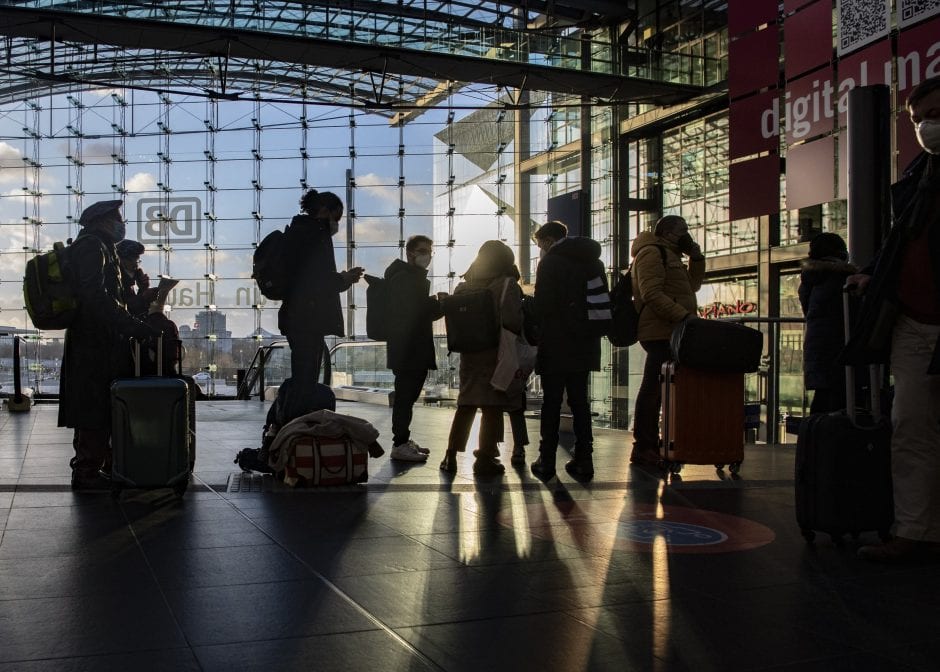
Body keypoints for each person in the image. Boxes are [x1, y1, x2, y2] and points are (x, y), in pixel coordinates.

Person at [846, 76, 940, 563]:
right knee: (910, 426)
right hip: (912, 320)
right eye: (919, 118)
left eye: (935, 114)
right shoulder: (919, 175)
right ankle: (915, 529)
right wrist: (872, 275)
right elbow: (900, 243)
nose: (927, 125)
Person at [57, 200, 158, 490]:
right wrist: (129, 324)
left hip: (99, 339)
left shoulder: (101, 248)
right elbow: (95, 296)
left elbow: (111, 296)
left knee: (98, 404)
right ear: (101, 221)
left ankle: (92, 468)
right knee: (93, 406)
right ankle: (87, 472)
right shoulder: (91, 247)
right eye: (117, 219)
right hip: (93, 342)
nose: (121, 224)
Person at [440, 240, 524, 476]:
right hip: (495, 353)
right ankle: (486, 457)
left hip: (469, 354)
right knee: (492, 406)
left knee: (466, 404)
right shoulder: (506, 284)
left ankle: (450, 456)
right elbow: (512, 321)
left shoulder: (463, 287)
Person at [529, 220, 605, 481]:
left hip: (556, 342)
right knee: (580, 402)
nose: (541, 249)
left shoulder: (550, 263)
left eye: (540, 244)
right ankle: (585, 458)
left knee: (551, 402)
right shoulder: (593, 261)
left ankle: (546, 459)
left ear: (548, 240)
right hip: (584, 344)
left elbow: (543, 306)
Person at [629, 215, 705, 468]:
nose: (687, 234)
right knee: (653, 388)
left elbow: (692, 286)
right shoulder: (651, 253)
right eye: (682, 230)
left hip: (673, 329)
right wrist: (683, 317)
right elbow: (650, 292)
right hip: (660, 330)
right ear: (668, 232)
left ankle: (654, 442)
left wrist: (697, 259)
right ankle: (644, 445)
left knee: (660, 388)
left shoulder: (671, 255)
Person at [278, 189, 363, 389]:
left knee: (304, 376)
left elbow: (308, 277)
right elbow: (315, 281)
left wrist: (342, 278)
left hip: (299, 316)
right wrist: (344, 279)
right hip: (307, 318)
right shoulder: (313, 235)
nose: (337, 223)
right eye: (337, 217)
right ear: (324, 210)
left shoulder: (301, 231)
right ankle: (298, 417)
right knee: (306, 380)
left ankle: (297, 415)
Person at [384, 234, 445, 462]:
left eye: (429, 251)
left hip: (408, 347)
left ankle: (403, 440)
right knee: (405, 397)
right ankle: (399, 444)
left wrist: (434, 305)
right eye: (422, 251)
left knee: (407, 398)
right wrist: (437, 304)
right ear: (410, 253)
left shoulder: (407, 277)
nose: (426, 256)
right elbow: (414, 313)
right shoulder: (405, 278)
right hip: (409, 348)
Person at [798, 232, 857, 414]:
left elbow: (809, 309)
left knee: (823, 400)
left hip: (817, 345)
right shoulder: (843, 278)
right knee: (840, 400)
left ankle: (815, 438)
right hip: (840, 345)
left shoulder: (811, 279)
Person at [115, 239, 158, 319]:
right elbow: (122, 311)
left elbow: (137, 312)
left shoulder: (129, 283)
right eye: (132, 260)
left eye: (138, 260)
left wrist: (143, 289)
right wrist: (143, 297)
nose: (136, 264)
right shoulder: (116, 280)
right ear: (121, 259)